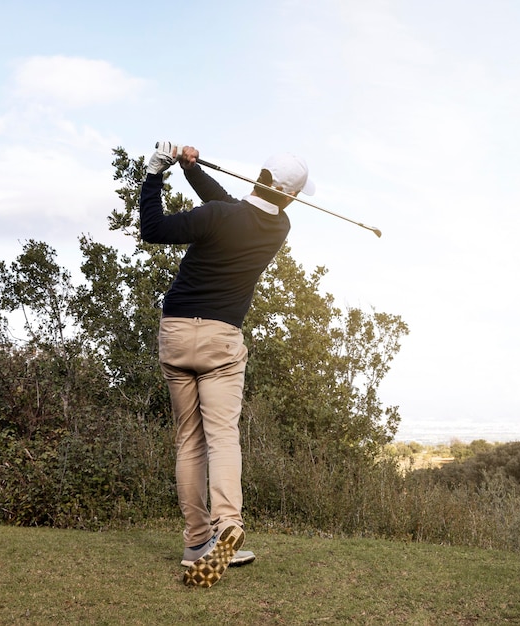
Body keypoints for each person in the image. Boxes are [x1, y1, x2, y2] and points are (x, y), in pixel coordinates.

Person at [139, 141, 315, 588]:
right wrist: (191, 170)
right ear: (290, 196)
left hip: (177, 334)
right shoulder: (280, 227)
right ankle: (227, 522)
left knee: (188, 440)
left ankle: (197, 540)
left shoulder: (219, 216)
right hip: (221, 340)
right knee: (222, 436)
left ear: (258, 174)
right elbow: (228, 206)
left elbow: (154, 228)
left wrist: (157, 173)